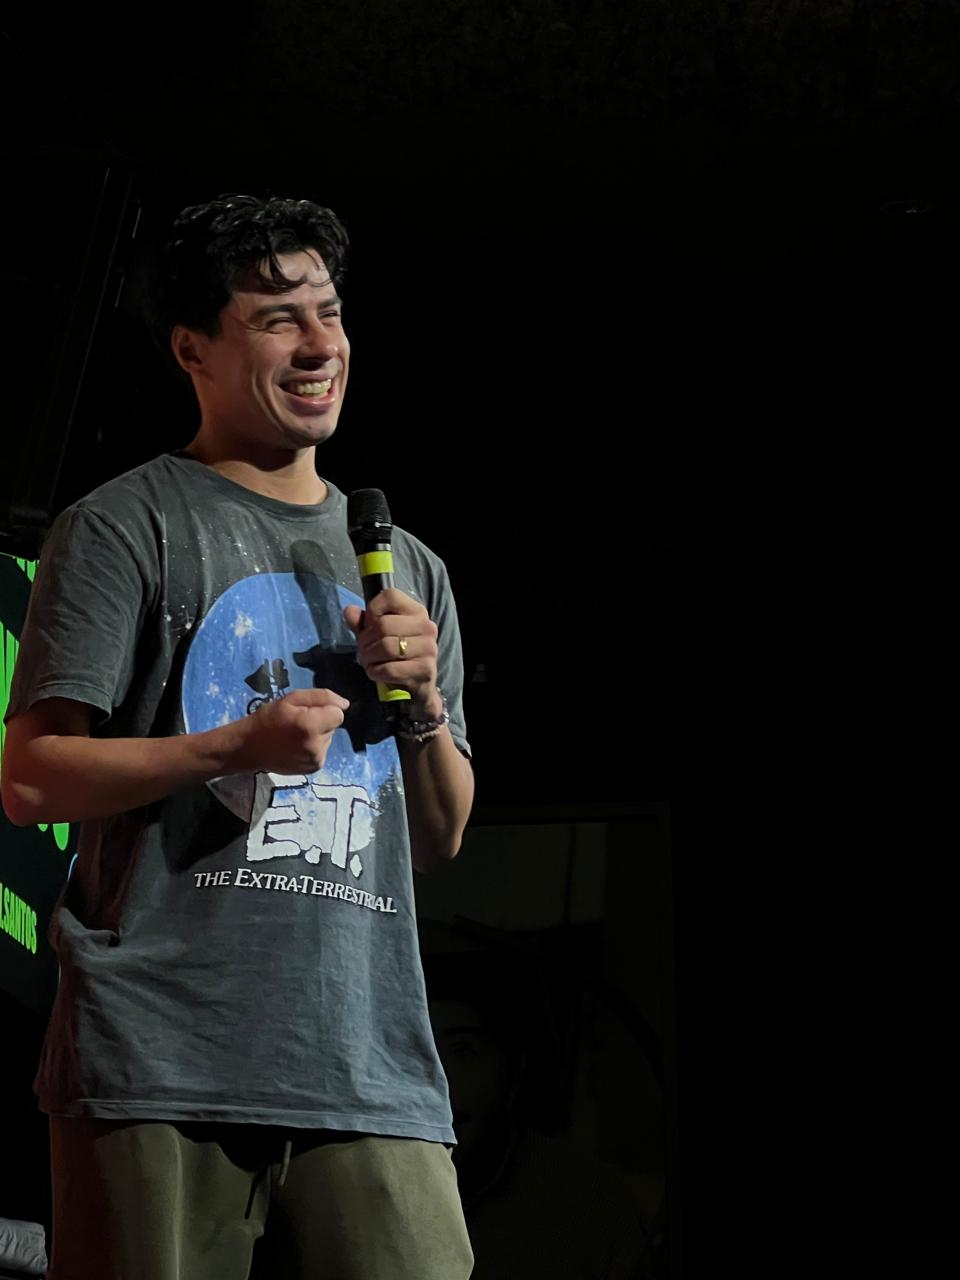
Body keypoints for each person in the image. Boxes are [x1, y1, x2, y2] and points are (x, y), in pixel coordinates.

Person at [0, 193, 476, 1280]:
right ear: (191, 349)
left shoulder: (412, 568)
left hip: (369, 1066)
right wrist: (235, 748)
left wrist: (425, 705)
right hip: (160, 1058)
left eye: (330, 312)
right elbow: (32, 778)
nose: (319, 346)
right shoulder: (124, 524)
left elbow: (442, 833)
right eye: (276, 319)